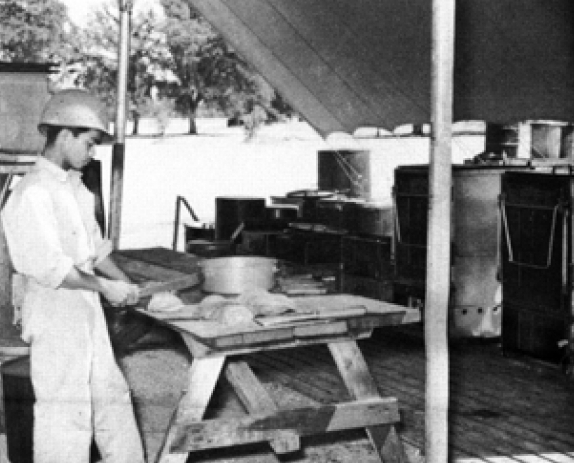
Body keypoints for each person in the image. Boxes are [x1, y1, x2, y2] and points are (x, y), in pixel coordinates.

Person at [1, 89, 145, 463]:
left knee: (113, 400)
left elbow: (95, 251)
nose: (92, 152)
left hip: (86, 311)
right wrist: (106, 287)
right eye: (89, 142)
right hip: (54, 316)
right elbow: (53, 268)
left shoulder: (76, 188)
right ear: (64, 135)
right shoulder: (32, 194)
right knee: (66, 417)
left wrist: (126, 284)